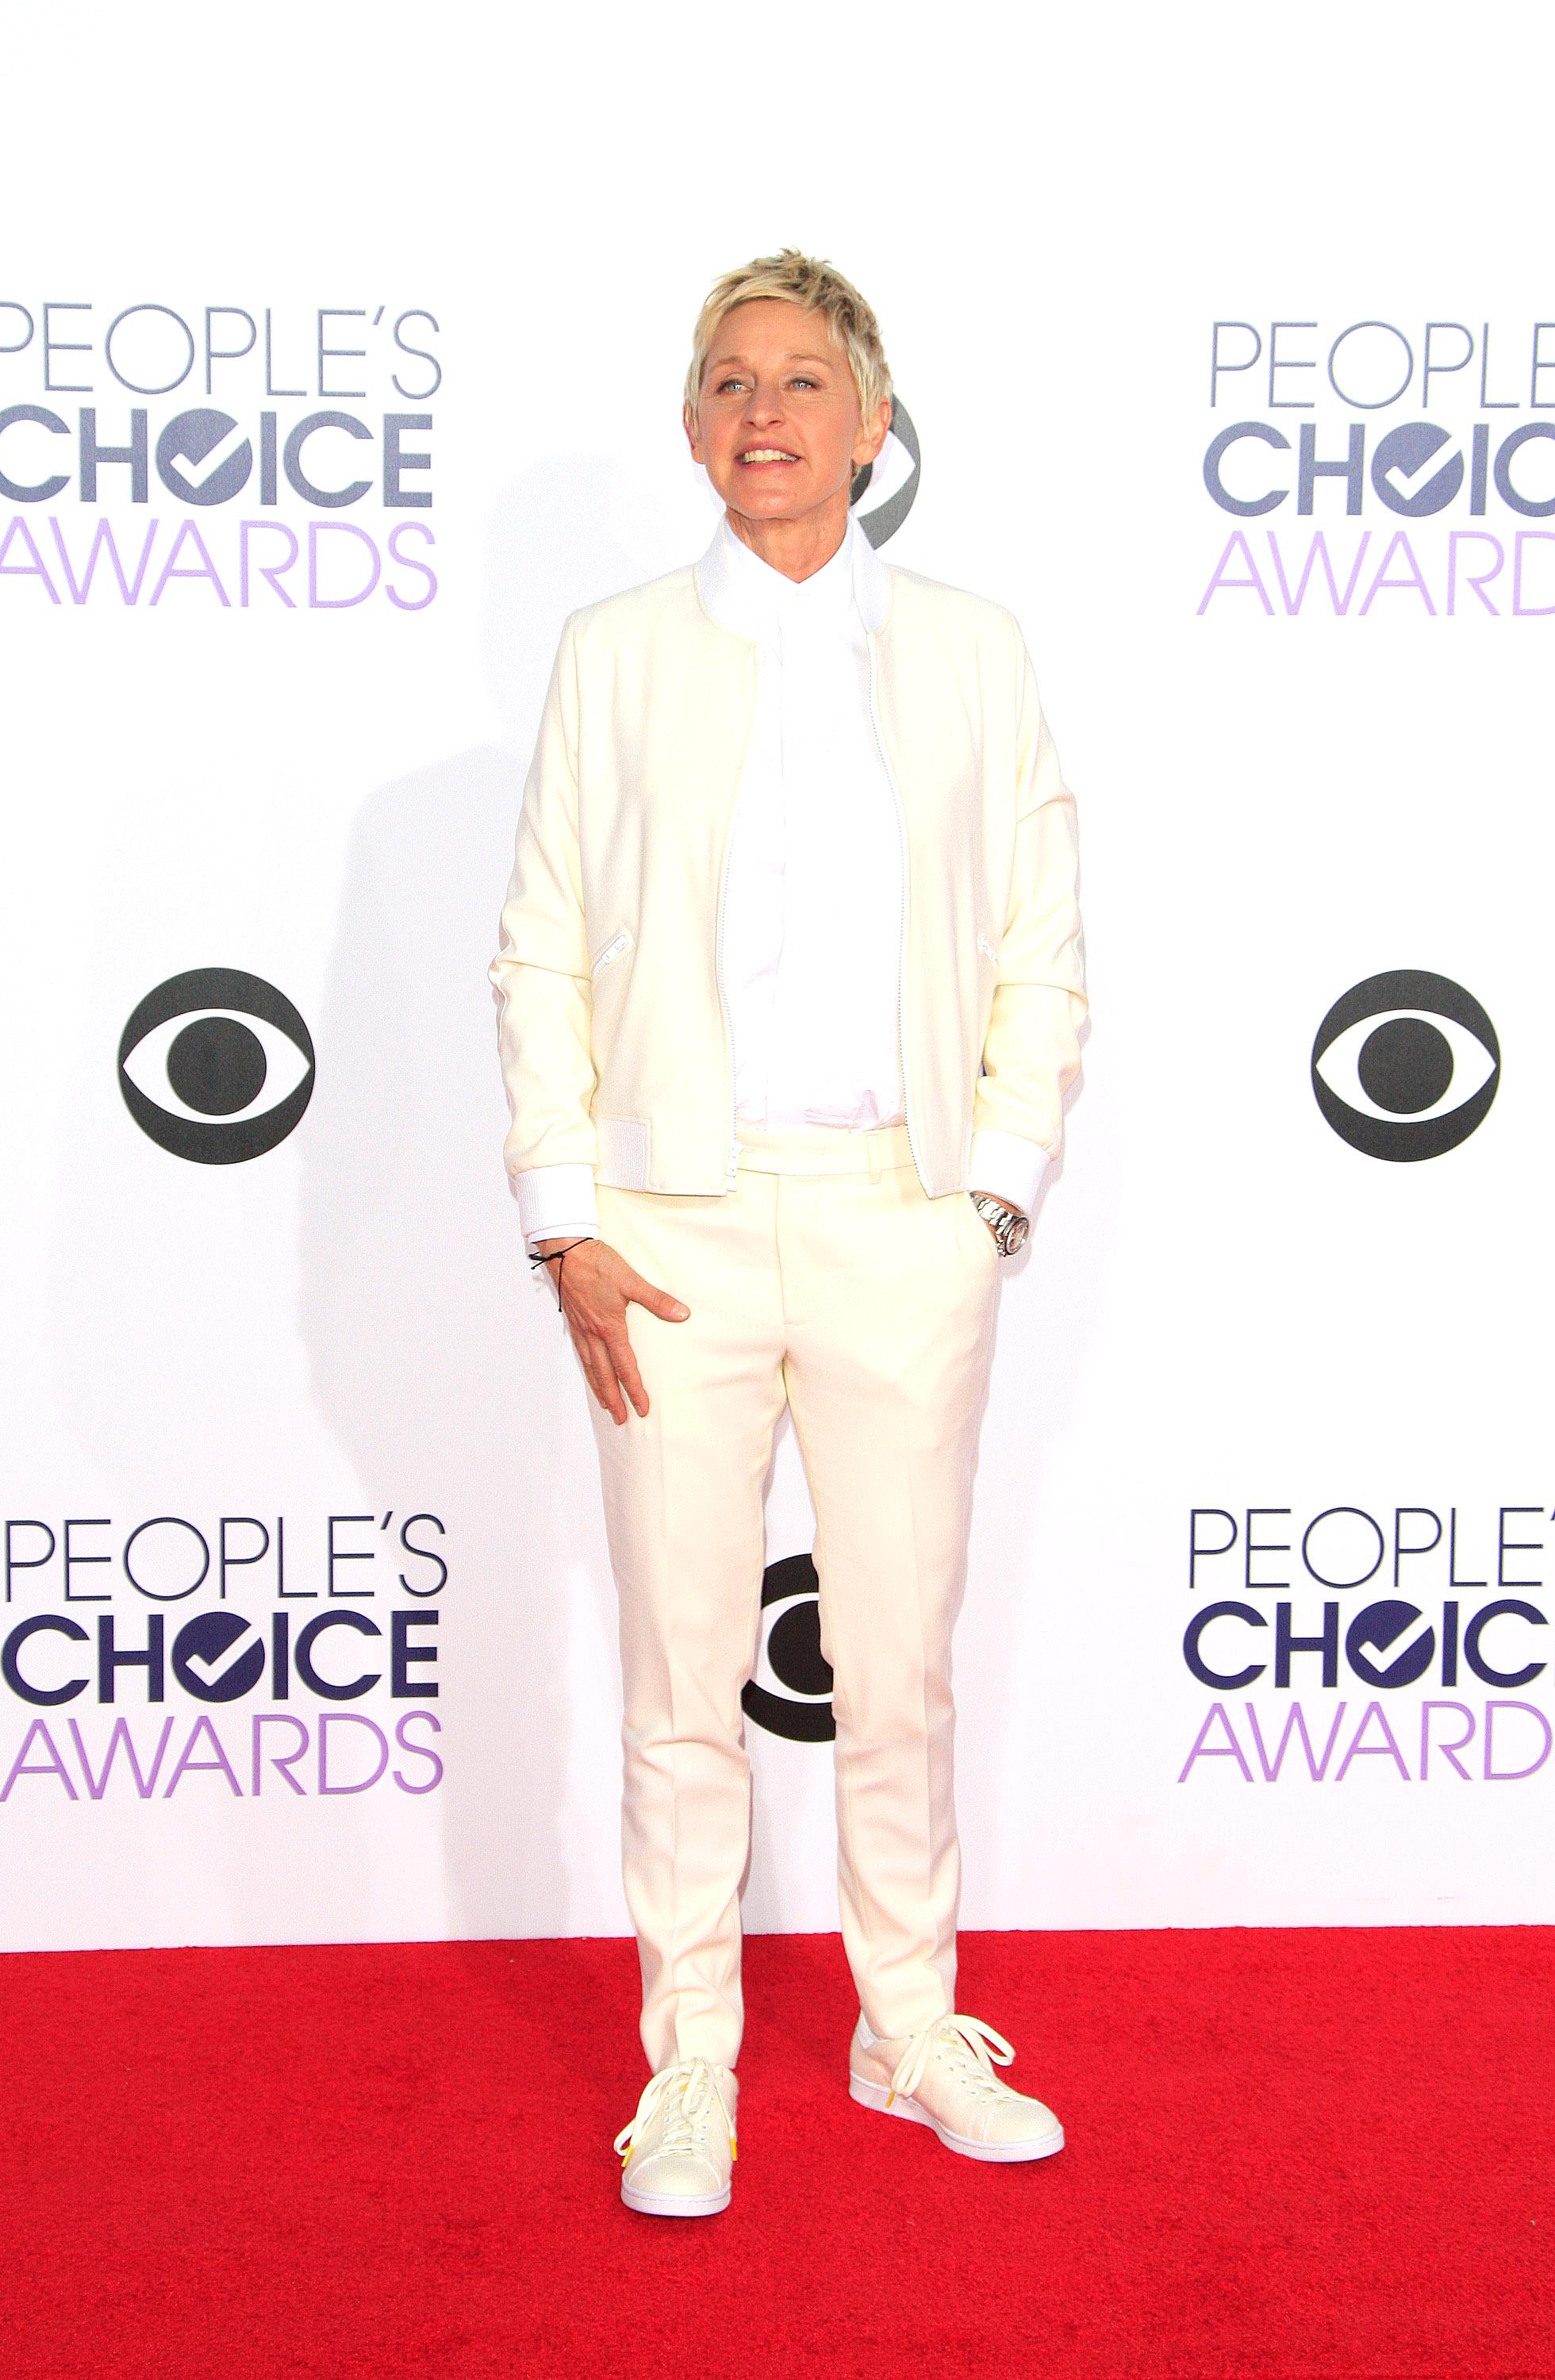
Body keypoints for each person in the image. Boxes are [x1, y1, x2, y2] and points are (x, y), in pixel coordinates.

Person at [490, 249, 1087, 2218]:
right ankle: (690, 2071)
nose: (766, 411)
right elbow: (546, 947)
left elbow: (1040, 948)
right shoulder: (614, 649)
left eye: (804, 380)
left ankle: (907, 2025)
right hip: (666, 1225)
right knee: (679, 1677)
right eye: (729, 380)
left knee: (897, 1659)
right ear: (690, 430)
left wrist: (991, 1185)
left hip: (902, 1214)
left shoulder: (976, 651)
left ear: (871, 423)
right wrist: (564, 1220)